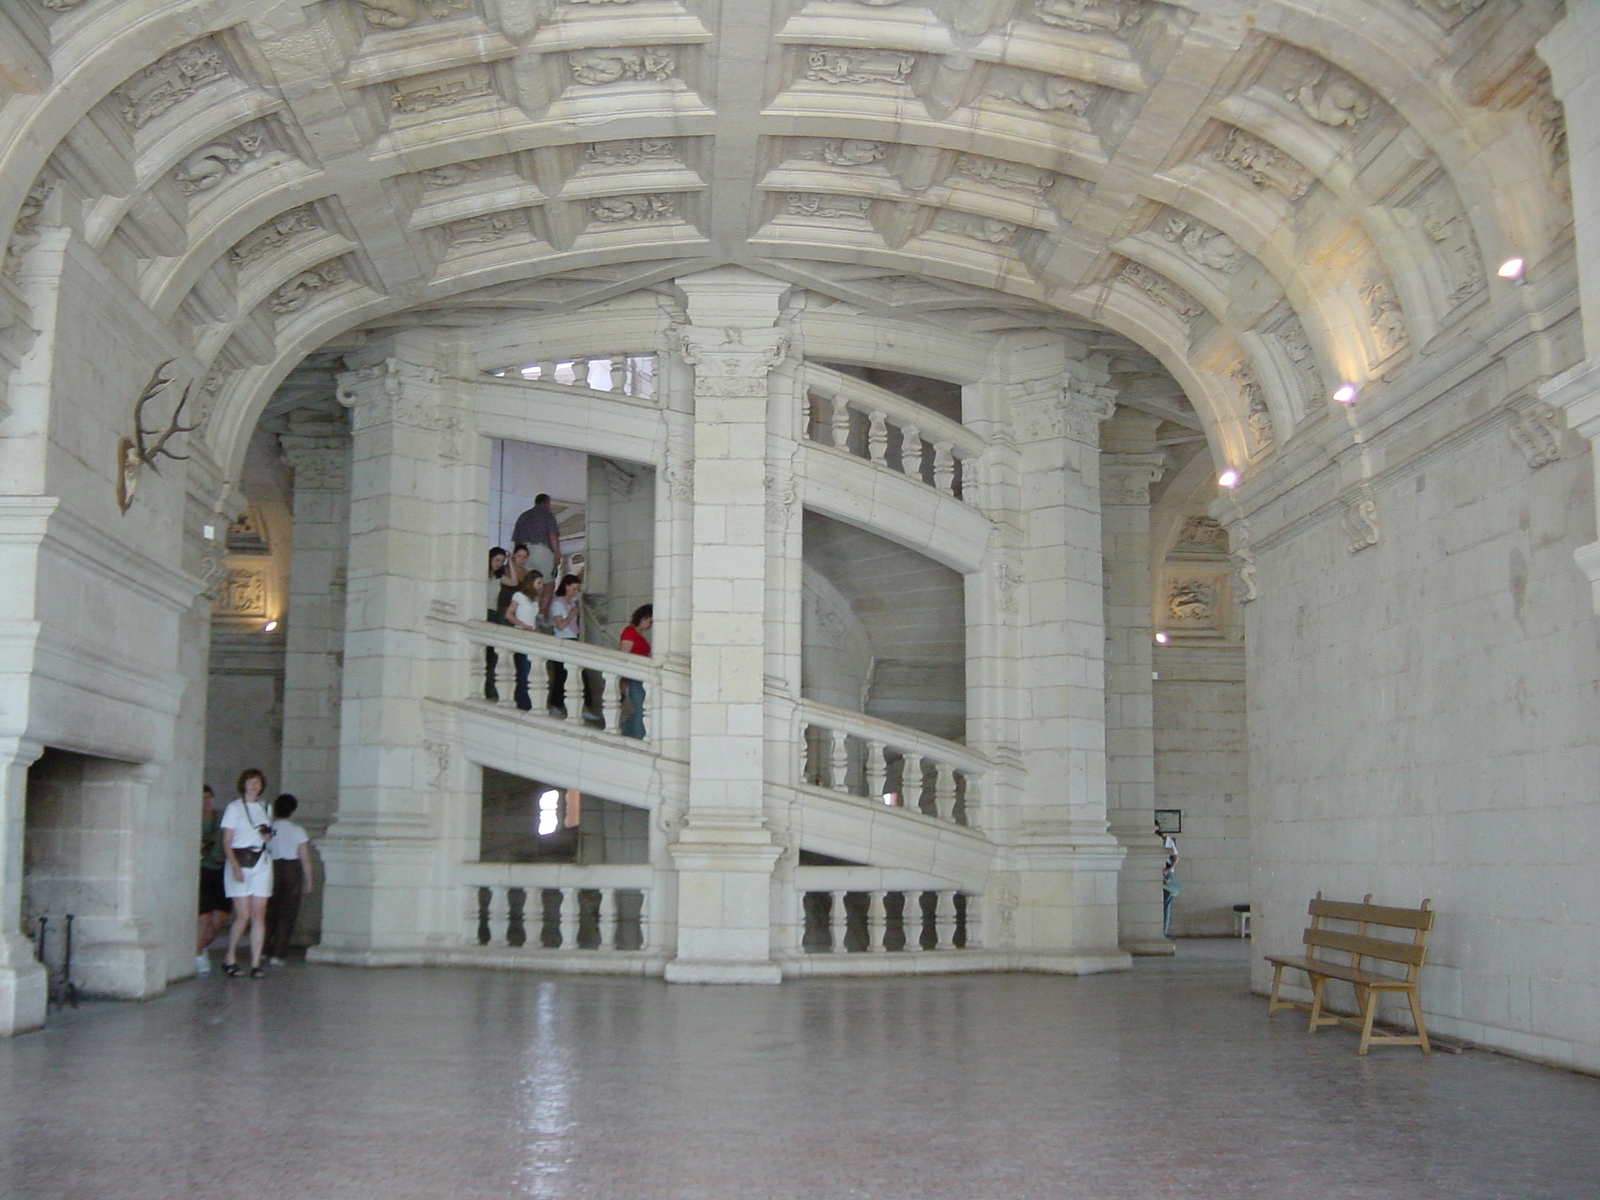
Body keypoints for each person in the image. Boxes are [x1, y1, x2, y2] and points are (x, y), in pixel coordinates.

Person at [221, 768, 275, 979]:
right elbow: (227, 841)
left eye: (258, 783)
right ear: (243, 784)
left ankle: (255, 962)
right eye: (251, 782)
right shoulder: (234, 808)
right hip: (240, 861)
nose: (254, 786)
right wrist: (234, 865)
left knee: (258, 914)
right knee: (242, 915)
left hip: (261, 861)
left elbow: (268, 839)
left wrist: (267, 835)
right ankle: (230, 956)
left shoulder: (266, 808)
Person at [262, 794, 314, 965]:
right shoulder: (298, 830)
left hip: (272, 868)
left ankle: (263, 950)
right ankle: (278, 954)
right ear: (292, 810)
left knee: (268, 912)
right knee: (287, 913)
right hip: (292, 870)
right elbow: (304, 858)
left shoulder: (269, 829)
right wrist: (309, 880)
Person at [195, 784, 229, 975]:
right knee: (205, 917)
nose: (205, 802)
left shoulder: (222, 819)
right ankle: (198, 953)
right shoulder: (194, 820)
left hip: (222, 870)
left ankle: (199, 947)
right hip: (202, 869)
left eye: (208, 797)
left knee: (220, 919)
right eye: (201, 798)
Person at [503, 570, 545, 711]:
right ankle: (522, 702)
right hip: (521, 634)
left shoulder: (535, 599)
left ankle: (528, 701)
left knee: (530, 670)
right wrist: (524, 625)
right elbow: (509, 614)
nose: (541, 586)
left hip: (531, 635)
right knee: (523, 669)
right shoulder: (519, 596)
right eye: (538, 583)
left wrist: (535, 627)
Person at [545, 574, 583, 714]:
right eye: (574, 589)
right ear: (566, 586)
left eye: (577, 589)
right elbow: (560, 625)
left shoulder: (571, 603)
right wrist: (572, 615)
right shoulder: (557, 603)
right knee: (561, 673)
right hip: (563, 638)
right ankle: (555, 703)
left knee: (574, 673)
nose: (575, 592)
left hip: (572, 637)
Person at [619, 603, 652, 739]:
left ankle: (626, 729)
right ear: (643, 618)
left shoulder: (638, 634)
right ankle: (638, 736)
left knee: (643, 707)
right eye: (649, 621)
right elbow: (623, 656)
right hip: (632, 676)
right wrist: (623, 679)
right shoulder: (629, 632)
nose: (650, 625)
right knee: (641, 708)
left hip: (640, 676)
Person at [510, 494, 560, 580]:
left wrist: (517, 556)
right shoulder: (548, 515)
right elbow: (553, 535)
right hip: (542, 550)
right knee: (547, 581)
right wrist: (557, 553)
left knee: (527, 580)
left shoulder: (524, 516)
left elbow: (516, 539)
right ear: (546, 503)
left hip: (524, 552)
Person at [485, 546, 511, 700]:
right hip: (484, 611)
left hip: (493, 613)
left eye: (502, 561)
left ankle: (490, 688)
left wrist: (511, 562)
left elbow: (513, 581)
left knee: (492, 654)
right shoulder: (483, 574)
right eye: (497, 560)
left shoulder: (499, 576)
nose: (499, 564)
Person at [1161, 826, 1180, 937]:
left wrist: (1168, 869)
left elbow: (1175, 857)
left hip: (1166, 874)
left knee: (1165, 903)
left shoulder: (1166, 840)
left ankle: (1163, 931)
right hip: (1158, 873)